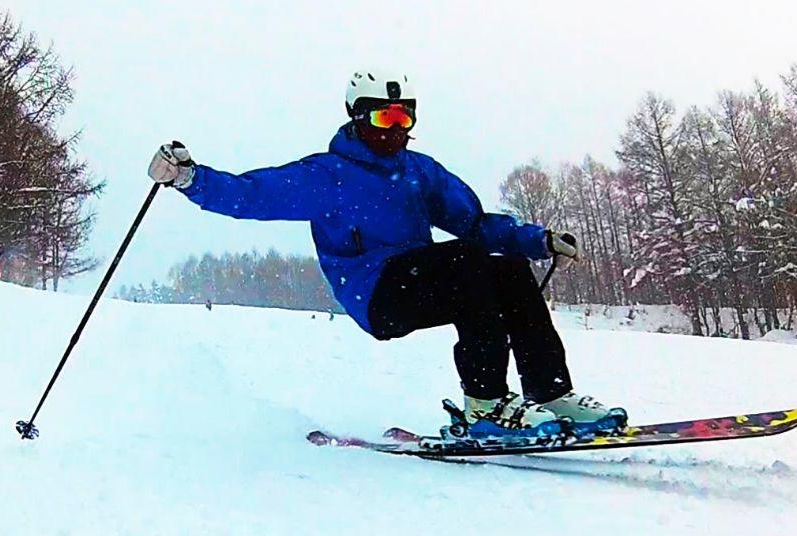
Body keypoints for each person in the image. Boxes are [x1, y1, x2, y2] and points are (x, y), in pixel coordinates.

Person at [148, 69, 625, 437]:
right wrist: (189, 177)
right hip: (377, 293)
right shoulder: (328, 174)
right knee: (468, 262)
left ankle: (552, 393)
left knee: (506, 269)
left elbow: (474, 224)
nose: (395, 128)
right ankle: (487, 405)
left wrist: (537, 241)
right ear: (359, 118)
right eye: (383, 117)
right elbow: (251, 196)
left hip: (429, 279)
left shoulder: (419, 170)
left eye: (404, 117)